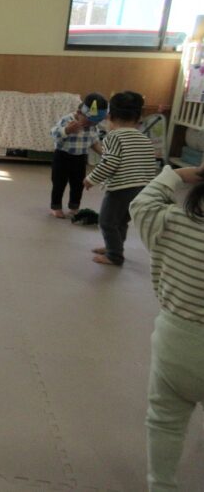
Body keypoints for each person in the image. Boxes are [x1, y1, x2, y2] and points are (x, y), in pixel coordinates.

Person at [129, 162, 204, 491]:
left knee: (165, 422)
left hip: (176, 344)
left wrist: (174, 175)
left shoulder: (172, 222)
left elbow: (141, 204)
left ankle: (161, 485)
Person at [83, 91, 157, 265]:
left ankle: (114, 255)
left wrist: (91, 179)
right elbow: (150, 165)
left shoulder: (114, 137)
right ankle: (115, 247)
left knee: (106, 221)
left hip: (121, 188)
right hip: (142, 189)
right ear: (138, 119)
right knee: (121, 221)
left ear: (109, 117)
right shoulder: (144, 139)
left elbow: (109, 163)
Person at [49, 92, 107, 218]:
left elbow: (94, 142)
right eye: (88, 122)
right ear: (79, 112)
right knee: (59, 183)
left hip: (80, 158)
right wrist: (67, 130)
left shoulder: (92, 126)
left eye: (94, 123)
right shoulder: (67, 120)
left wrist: (104, 154)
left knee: (78, 185)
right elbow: (53, 134)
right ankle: (56, 207)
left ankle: (74, 207)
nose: (90, 125)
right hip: (62, 156)